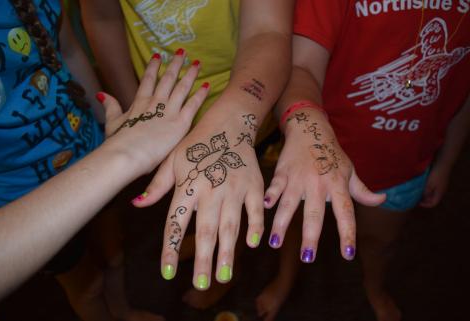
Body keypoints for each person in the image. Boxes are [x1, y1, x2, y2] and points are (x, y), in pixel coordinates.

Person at [80, 0, 295, 311]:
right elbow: (102, 19)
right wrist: (136, 108)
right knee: (190, 193)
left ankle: (227, 269)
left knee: (238, 197)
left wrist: (238, 116)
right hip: (165, 106)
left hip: (248, 98)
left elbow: (268, 29)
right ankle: (209, 242)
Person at [265, 1, 470, 321]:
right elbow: (300, 66)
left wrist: (446, 164)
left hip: (406, 164)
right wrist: (305, 123)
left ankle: (374, 286)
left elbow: (462, 93)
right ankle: (285, 278)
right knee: (297, 227)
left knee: (379, 242)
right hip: (320, 154)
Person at [0, 49, 208, 306]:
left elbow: (68, 49)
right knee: (87, 287)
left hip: (90, 148)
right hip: (21, 203)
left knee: (113, 247)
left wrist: (110, 129)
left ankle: (118, 287)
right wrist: (121, 153)